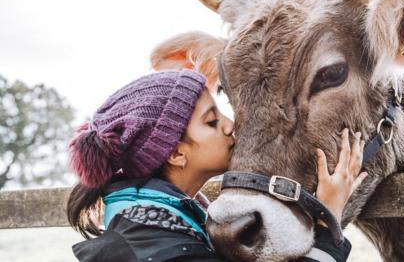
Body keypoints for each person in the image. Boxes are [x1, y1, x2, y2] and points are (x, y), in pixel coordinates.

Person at [66, 71, 366, 262]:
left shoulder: (166, 223)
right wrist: (329, 221)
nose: (231, 126)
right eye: (212, 122)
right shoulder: (158, 247)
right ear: (176, 154)